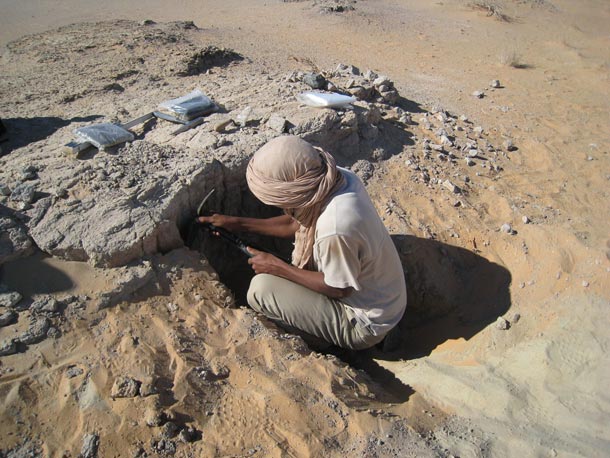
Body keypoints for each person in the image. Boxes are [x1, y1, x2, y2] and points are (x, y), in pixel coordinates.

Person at [198, 136, 407, 350]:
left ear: (291, 192)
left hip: (365, 322)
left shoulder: (335, 229)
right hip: (384, 298)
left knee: (261, 290)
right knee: (283, 273)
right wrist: (236, 223)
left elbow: (339, 289)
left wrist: (278, 268)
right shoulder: (332, 179)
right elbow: (295, 223)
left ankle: (332, 350)